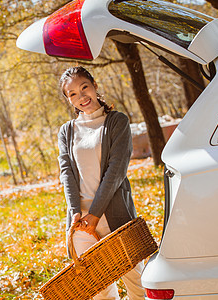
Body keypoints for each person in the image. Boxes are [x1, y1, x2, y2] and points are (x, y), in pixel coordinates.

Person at [57, 66, 144, 300]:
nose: (81, 96)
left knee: (137, 284)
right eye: (72, 93)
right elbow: (67, 173)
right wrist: (76, 212)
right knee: (100, 293)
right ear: (68, 99)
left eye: (84, 87)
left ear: (94, 85)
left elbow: (116, 170)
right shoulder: (66, 131)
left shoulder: (117, 122)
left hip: (115, 217)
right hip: (81, 224)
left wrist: (95, 214)